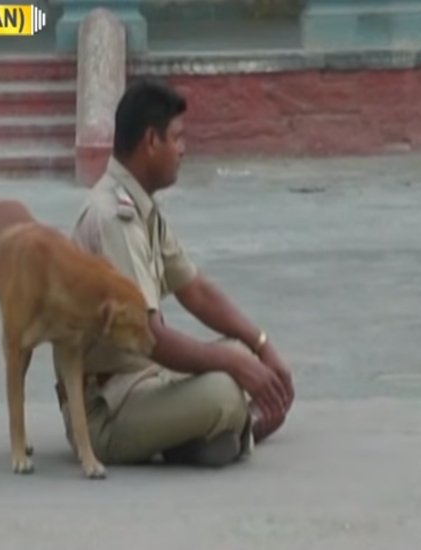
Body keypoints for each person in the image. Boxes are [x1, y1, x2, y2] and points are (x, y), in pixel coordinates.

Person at [56, 78, 295, 467]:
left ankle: (208, 437)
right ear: (152, 142)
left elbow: (195, 290)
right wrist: (233, 366)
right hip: (105, 410)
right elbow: (150, 337)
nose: (184, 150)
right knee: (224, 390)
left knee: (239, 353)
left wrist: (261, 345)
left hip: (143, 380)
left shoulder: (141, 207)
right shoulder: (112, 217)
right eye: (178, 138)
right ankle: (238, 426)